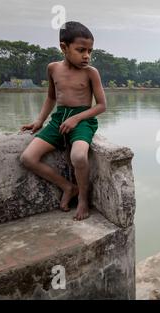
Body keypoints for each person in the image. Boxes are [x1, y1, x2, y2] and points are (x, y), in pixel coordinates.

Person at [20, 21, 106, 221]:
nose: (86, 55)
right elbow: (51, 97)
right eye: (81, 50)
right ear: (64, 47)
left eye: (90, 51)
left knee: (78, 157)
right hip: (59, 119)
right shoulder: (53, 69)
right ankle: (68, 187)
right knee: (27, 158)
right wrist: (39, 120)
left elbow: (101, 105)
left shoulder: (91, 72)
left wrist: (76, 118)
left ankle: (83, 199)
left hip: (83, 120)